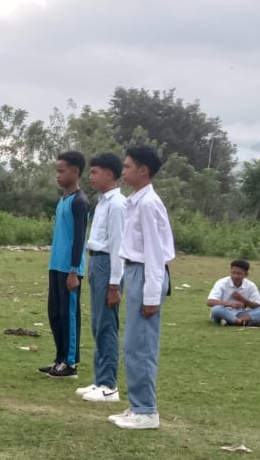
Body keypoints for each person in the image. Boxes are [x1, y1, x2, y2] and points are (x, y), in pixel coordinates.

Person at [109, 145, 174, 429]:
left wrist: (151, 295)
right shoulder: (136, 201)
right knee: (132, 343)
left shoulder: (148, 204)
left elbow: (155, 253)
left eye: (127, 167)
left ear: (143, 170)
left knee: (142, 345)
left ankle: (147, 411)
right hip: (135, 272)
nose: (123, 171)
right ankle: (138, 405)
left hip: (146, 273)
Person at [77, 152, 125, 403]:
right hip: (95, 259)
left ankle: (109, 385)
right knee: (97, 323)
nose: (91, 177)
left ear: (109, 174)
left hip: (108, 263)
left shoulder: (117, 204)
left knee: (107, 324)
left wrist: (114, 283)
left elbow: (118, 245)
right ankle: (99, 380)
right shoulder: (103, 201)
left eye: (95, 172)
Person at [41, 151, 90, 379]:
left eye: (62, 171)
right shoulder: (63, 199)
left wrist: (74, 270)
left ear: (75, 172)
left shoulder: (80, 201)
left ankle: (70, 364)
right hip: (56, 265)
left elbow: (80, 238)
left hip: (70, 269)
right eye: (57, 171)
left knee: (69, 314)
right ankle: (59, 358)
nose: (58, 175)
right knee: (55, 313)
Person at [207, 260, 260, 326]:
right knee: (216, 309)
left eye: (239, 273)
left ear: (246, 274)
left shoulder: (250, 285)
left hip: (241, 313)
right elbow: (210, 302)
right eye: (233, 273)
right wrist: (231, 304)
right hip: (224, 312)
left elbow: (258, 305)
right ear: (230, 272)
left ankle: (232, 321)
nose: (235, 276)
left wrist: (242, 299)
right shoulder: (221, 283)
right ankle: (245, 322)